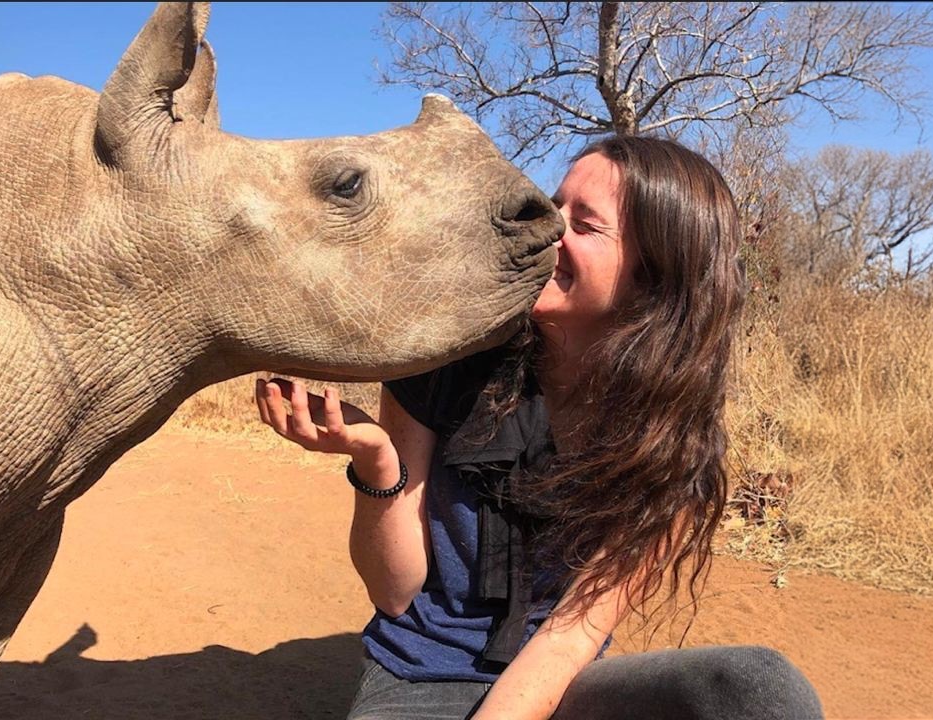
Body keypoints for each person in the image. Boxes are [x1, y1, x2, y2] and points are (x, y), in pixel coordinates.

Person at [254, 135, 823, 720]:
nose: (550, 230)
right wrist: (376, 459)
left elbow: (570, 637)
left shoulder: (673, 447)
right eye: (555, 206)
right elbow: (395, 591)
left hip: (563, 683)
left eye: (587, 224)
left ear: (654, 275)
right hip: (420, 672)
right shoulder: (448, 356)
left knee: (759, 689)